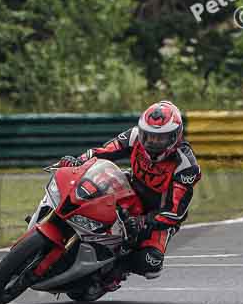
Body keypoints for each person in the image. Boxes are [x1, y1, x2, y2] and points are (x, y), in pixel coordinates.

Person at [57, 101, 201, 290]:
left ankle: (115, 271)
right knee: (83, 189)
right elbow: (104, 152)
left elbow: (176, 212)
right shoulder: (134, 136)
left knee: (152, 264)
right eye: (149, 136)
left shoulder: (186, 166)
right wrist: (79, 160)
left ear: (175, 136)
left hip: (158, 214)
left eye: (160, 138)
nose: (153, 142)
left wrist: (146, 221)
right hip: (129, 188)